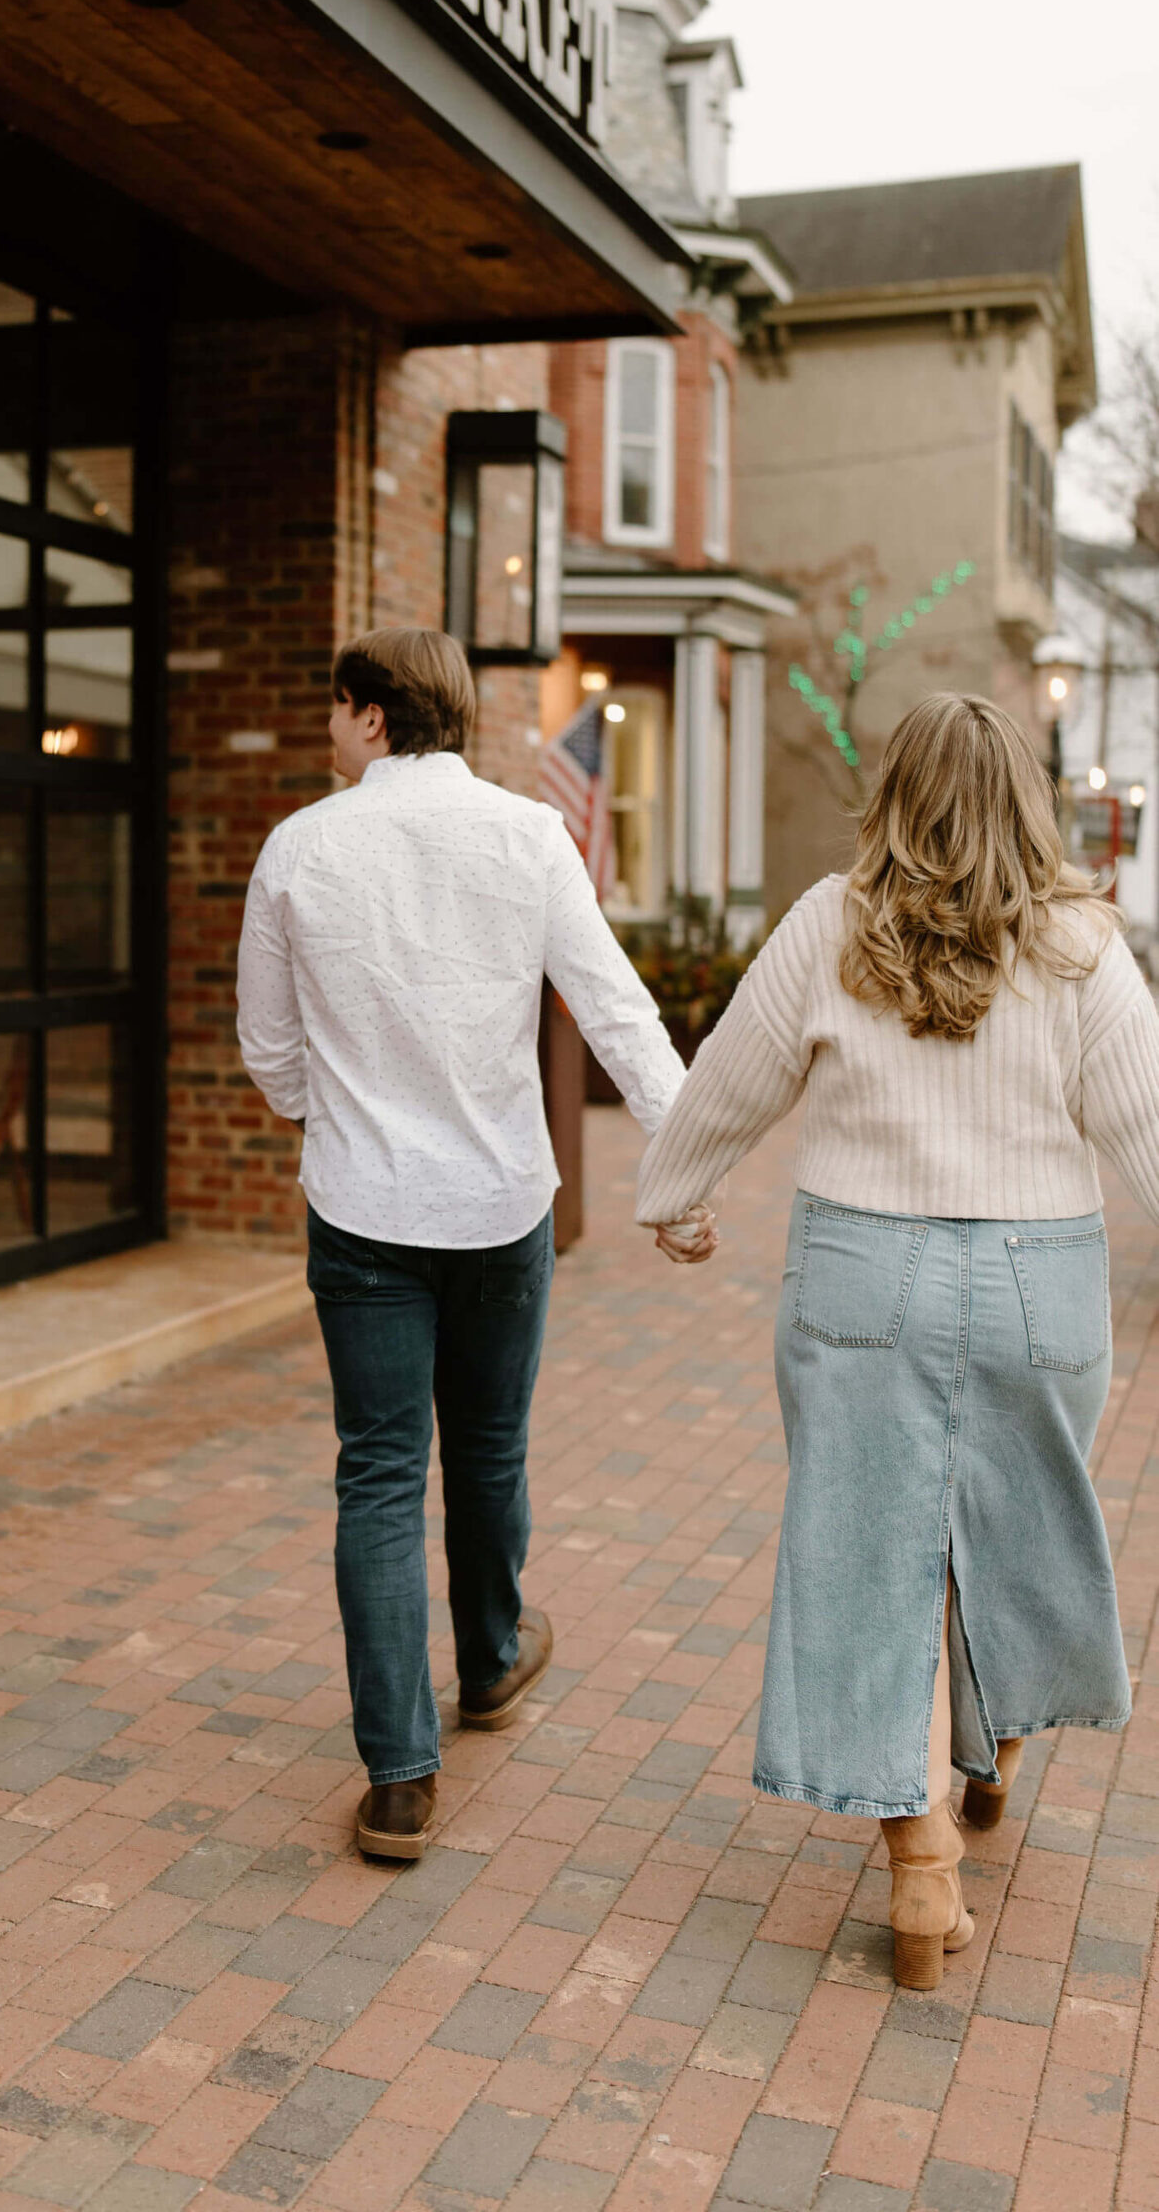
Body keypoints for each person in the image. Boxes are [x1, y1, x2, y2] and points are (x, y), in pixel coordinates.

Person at [636, 693, 1159, 1987]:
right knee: (1010, 1525)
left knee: (865, 1560)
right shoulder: (1084, 948)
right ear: (1025, 799)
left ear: (891, 794)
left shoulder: (829, 921)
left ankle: (919, 1867)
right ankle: (993, 1751)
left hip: (859, 1274)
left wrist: (668, 1196)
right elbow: (1147, 1128)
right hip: (1039, 1282)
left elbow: (727, 1081)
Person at [237, 628, 699, 1860]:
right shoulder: (529, 835)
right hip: (501, 1206)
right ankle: (490, 1662)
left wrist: (333, 1112)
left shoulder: (298, 848)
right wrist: (685, 1158)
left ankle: (398, 1778)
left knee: (380, 1475)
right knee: (488, 1447)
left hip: (363, 1210)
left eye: (336, 708)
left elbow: (269, 1054)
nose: (328, 729)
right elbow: (613, 1006)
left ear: (375, 717)